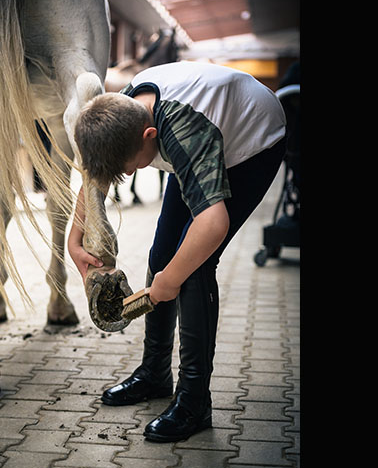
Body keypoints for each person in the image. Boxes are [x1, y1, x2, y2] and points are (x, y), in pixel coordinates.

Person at [67, 61, 287, 442]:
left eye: (131, 166)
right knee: (161, 255)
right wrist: (75, 237)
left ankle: (194, 401)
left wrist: (168, 281)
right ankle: (154, 374)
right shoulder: (118, 111)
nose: (132, 174)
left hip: (251, 140)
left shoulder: (184, 132)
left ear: (150, 134)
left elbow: (213, 225)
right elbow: (95, 173)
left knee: (193, 267)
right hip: (200, 133)